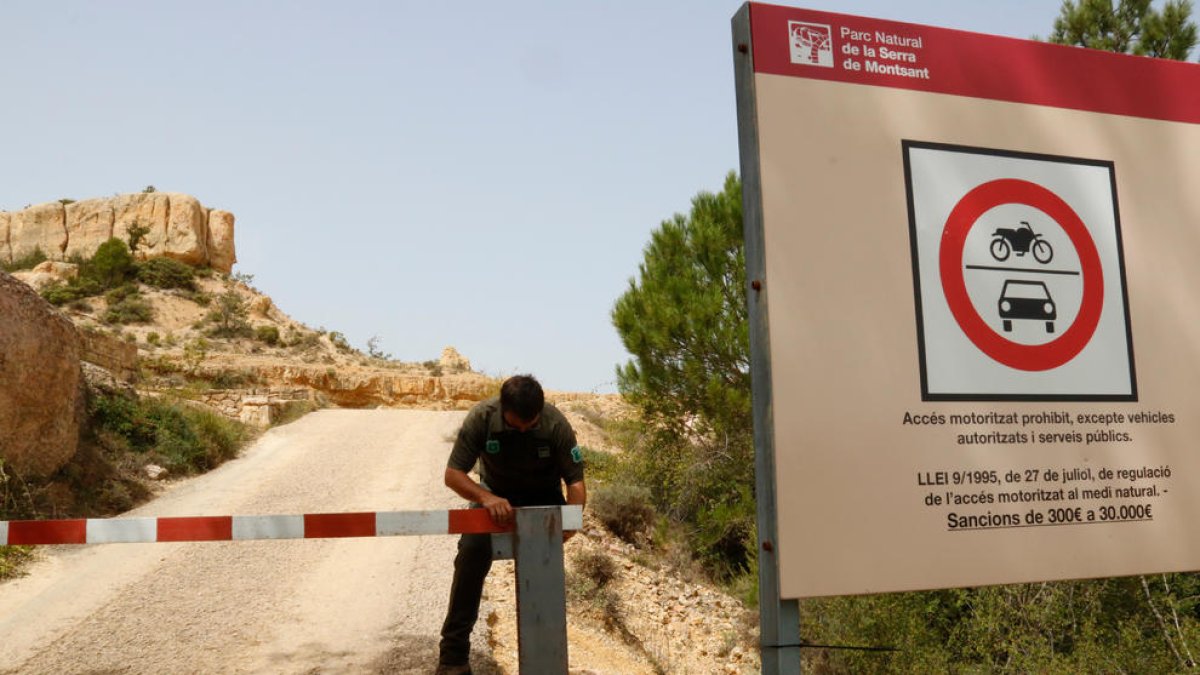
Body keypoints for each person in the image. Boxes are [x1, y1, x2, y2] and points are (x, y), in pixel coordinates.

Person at [436, 374, 587, 675]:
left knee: (545, 572)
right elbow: (453, 475)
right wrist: (486, 497)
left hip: (543, 502)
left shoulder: (556, 423)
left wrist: (570, 522)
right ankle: (453, 657)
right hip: (493, 499)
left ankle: (547, 661)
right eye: (515, 424)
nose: (522, 430)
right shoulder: (481, 417)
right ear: (502, 407)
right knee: (470, 554)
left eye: (529, 426)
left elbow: (576, 483)